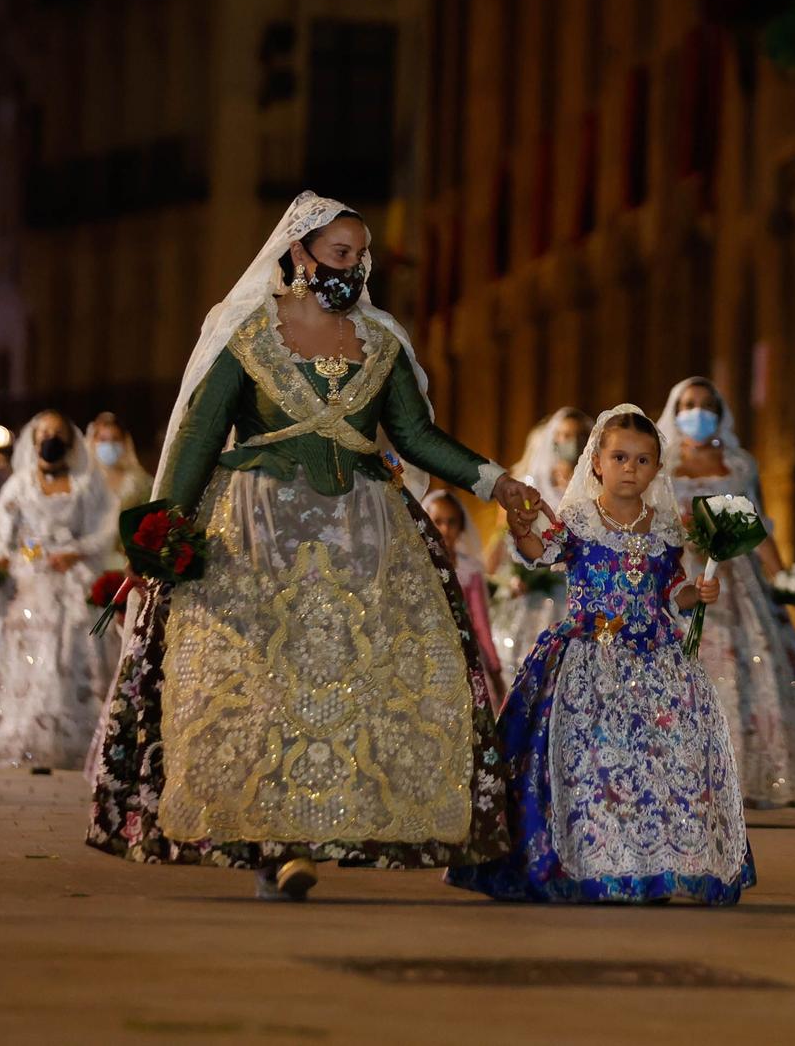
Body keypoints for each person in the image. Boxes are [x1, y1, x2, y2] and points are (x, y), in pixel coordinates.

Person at [86, 191, 545, 903]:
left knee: (347, 683)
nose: (353, 268)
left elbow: (416, 436)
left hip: (361, 533)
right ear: (298, 252)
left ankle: (321, 828)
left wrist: (498, 482)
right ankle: (276, 846)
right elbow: (199, 440)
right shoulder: (245, 335)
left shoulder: (382, 341)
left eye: (360, 256)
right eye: (340, 253)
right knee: (264, 683)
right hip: (254, 531)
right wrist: (160, 542)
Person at [449, 404, 753, 905]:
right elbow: (537, 551)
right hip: (586, 656)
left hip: (657, 659)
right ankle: (592, 862)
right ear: (597, 463)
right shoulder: (579, 519)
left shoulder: (666, 529)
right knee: (590, 757)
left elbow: (669, 592)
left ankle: (652, 866)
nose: (630, 469)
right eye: (619, 458)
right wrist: (522, 526)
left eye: (642, 460)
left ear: (657, 468)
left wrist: (693, 597)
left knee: (658, 760)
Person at [658, 376, 795, 809]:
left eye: (706, 404)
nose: (697, 412)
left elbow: (759, 527)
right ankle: (689, 774)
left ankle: (758, 776)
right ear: (675, 411)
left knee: (758, 661)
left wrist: (784, 579)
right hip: (688, 573)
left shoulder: (740, 465)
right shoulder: (662, 464)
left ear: (721, 412)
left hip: (740, 576)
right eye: (688, 404)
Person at [0, 413, 119, 770]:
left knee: (65, 650)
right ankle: (13, 735)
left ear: (70, 440)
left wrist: (76, 550)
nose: (50, 438)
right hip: (25, 576)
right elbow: (0, 535)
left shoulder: (86, 485)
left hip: (68, 575)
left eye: (58, 433)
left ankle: (66, 739)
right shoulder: (18, 486)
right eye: (44, 433)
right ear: (33, 441)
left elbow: (103, 531)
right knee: (17, 651)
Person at [484, 407, 589, 675]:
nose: (572, 442)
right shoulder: (529, 487)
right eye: (565, 435)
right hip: (533, 596)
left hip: (576, 596)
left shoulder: (592, 491)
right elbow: (501, 544)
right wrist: (502, 581)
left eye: (580, 436)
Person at [423, 488, 506, 708]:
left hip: (465, 653)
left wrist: (495, 670)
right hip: (425, 653)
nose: (445, 529)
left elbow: (480, 622)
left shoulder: (469, 569)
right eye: (437, 521)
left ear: (461, 527)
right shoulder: (416, 566)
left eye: (452, 522)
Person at [87, 412, 154, 513]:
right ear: (93, 442)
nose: (109, 444)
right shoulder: (85, 480)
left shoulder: (138, 481)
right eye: (103, 439)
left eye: (115, 439)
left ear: (124, 442)